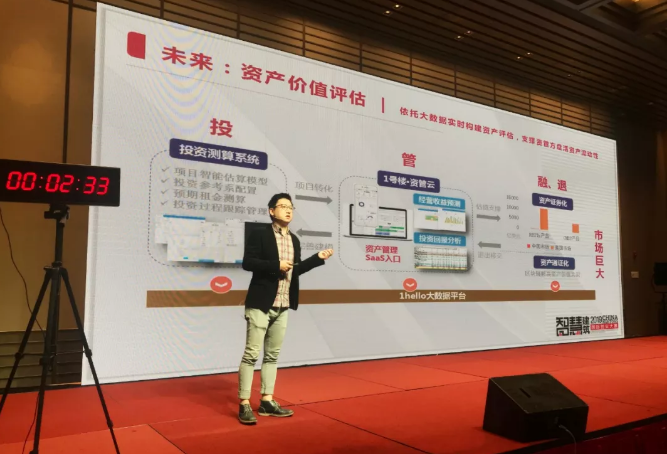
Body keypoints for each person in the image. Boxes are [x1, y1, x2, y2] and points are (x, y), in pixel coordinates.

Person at [237, 193, 334, 425]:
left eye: (291, 207)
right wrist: (275, 265)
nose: (288, 210)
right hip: (261, 303)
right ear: (272, 211)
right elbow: (248, 263)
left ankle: (267, 401)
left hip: (283, 304)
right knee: (251, 355)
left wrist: (317, 258)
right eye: (283, 206)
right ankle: (244, 403)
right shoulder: (260, 234)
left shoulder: (295, 240)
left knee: (272, 356)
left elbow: (294, 270)